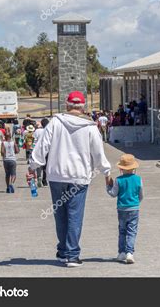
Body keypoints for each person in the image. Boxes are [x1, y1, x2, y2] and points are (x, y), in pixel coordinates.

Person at [30, 91, 111, 267]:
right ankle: (72, 254)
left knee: (60, 214)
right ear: (83, 107)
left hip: (57, 175)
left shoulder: (55, 123)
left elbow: (42, 146)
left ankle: (62, 251)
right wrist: (106, 171)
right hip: (79, 177)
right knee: (75, 215)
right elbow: (98, 153)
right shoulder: (90, 127)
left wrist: (32, 166)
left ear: (67, 105)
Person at [107, 154, 143, 264]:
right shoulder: (138, 179)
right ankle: (129, 253)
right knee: (132, 231)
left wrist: (108, 186)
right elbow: (141, 195)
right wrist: (136, 202)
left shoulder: (118, 180)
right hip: (134, 208)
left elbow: (113, 194)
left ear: (121, 168)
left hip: (121, 209)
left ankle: (121, 252)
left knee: (122, 231)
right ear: (134, 168)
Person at [33, 118, 50, 187]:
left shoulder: (37, 131)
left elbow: (34, 140)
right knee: (46, 165)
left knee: (38, 164)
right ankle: (44, 180)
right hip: (47, 150)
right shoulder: (49, 131)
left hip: (38, 149)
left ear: (42, 124)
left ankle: (39, 176)